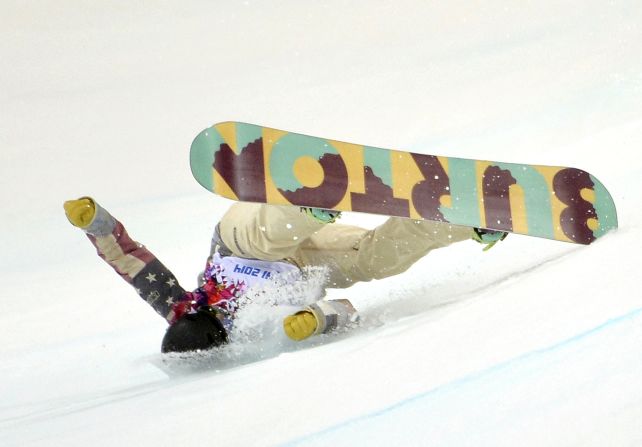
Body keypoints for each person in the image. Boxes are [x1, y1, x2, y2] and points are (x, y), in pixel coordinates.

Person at [63, 197, 506, 353]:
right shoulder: (262, 330)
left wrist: (94, 222)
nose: (209, 310)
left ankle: (307, 206)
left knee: (267, 238)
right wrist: (314, 320)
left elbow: (133, 264)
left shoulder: (179, 305)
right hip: (304, 264)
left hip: (243, 237)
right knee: (374, 260)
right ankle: (464, 221)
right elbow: (346, 310)